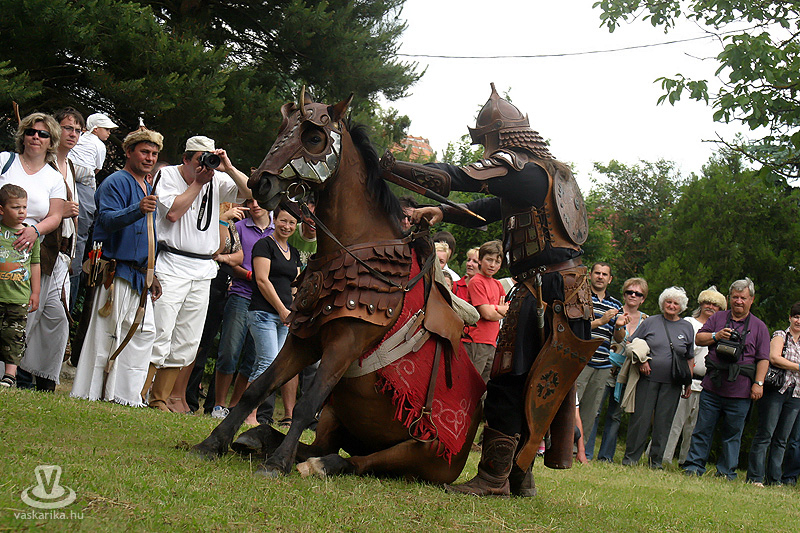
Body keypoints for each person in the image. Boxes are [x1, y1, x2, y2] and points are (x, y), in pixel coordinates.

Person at [398, 83, 594, 497]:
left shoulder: (521, 170)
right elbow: (489, 209)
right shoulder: (546, 174)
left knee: (510, 379)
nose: (485, 151)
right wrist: (442, 211)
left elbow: (461, 177)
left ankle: (493, 479)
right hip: (565, 290)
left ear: (498, 137)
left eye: (486, 141)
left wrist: (394, 167)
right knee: (534, 381)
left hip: (545, 289)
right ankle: (519, 477)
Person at [145, 136, 250, 411]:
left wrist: (228, 167)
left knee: (188, 338)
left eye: (209, 159)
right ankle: (139, 392)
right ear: (186, 159)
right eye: (199, 160)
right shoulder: (169, 175)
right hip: (172, 262)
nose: (205, 166)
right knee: (161, 330)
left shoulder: (217, 178)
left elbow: (251, 193)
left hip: (203, 268)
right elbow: (172, 213)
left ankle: (159, 399)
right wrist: (198, 184)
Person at [70, 127, 163, 406]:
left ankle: (125, 396)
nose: (149, 158)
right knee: (106, 334)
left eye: (154, 153)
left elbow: (148, 236)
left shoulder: (147, 187)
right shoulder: (116, 182)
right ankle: (91, 392)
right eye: (144, 152)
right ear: (129, 152)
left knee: (142, 333)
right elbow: (106, 221)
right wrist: (137, 209)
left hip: (139, 275)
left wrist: (152, 272)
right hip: (116, 271)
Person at [19, 109, 86, 391]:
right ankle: (19, 375)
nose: (73, 134)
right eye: (68, 128)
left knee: (56, 318)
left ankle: (42, 378)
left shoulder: (69, 167)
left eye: (78, 130)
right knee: (26, 313)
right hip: (36, 248)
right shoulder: (42, 166)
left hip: (60, 252)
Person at [0, 113, 66, 391]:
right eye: (31, 132)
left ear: (51, 141)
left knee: (27, 315)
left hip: (30, 251)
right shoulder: (5, 161)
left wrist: (34, 231)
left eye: (43, 134)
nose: (36, 137)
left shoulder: (54, 177)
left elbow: (56, 215)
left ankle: (22, 374)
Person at [683, 278, 770, 479]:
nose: (739, 301)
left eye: (743, 298)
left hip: (741, 390)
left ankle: (726, 472)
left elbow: (763, 359)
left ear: (751, 300)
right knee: (702, 429)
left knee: (733, 434)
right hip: (713, 386)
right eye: (735, 297)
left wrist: (758, 384)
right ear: (729, 298)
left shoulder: (759, 327)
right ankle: (694, 466)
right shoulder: (718, 318)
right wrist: (717, 335)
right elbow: (699, 339)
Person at [210, 197, 273, 419]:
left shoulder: (278, 228)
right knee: (229, 351)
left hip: (265, 301)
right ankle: (219, 406)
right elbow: (229, 260)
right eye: (250, 201)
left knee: (253, 358)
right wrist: (249, 275)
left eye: (259, 201)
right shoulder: (239, 226)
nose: (255, 205)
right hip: (240, 294)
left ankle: (236, 407)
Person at [622, 287, 694, 468]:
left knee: (664, 422)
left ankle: (656, 461)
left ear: (681, 306)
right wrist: (642, 361)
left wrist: (688, 382)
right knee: (641, 419)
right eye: (668, 302)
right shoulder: (651, 322)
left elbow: (689, 357)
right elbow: (632, 342)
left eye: (676, 303)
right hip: (648, 378)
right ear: (663, 303)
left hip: (673, 383)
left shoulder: (686, 327)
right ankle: (631, 458)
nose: (671, 306)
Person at [244, 205, 301, 426]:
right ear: (274, 220)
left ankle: (247, 412)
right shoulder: (264, 245)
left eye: (292, 223)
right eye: (283, 221)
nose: (287, 226)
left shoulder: (294, 252)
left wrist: (293, 310)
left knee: (274, 366)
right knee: (267, 363)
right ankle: (249, 415)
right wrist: (281, 309)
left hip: (284, 318)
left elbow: (295, 285)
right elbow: (262, 280)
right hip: (263, 313)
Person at [662, 286, 726, 465]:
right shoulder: (689, 323)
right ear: (701, 304)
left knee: (695, 427)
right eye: (707, 302)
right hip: (684, 379)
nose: (710, 306)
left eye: (715, 304)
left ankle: (686, 461)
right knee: (674, 423)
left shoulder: (722, 330)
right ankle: (662, 457)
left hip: (707, 383)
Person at [746, 302, 800, 486]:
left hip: (796, 394)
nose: (798, 321)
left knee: (782, 439)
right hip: (776, 391)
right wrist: (798, 366)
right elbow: (774, 357)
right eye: (796, 316)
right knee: (765, 435)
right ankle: (755, 477)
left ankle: (774, 479)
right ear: (790, 318)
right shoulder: (780, 335)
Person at [596, 277, 649, 462]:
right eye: (629, 292)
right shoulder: (613, 312)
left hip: (627, 372)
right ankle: (584, 451)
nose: (633, 295)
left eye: (638, 293)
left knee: (615, 415)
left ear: (643, 298)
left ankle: (606, 456)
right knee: (595, 410)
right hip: (605, 365)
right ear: (624, 294)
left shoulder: (646, 321)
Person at [68, 113, 117, 308]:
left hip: (67, 173)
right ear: (95, 129)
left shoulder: (80, 139)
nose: (109, 133)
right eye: (106, 129)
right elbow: (97, 169)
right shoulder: (99, 145)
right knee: (80, 235)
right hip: (84, 180)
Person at [576, 262, 625, 459]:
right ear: (590, 275)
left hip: (603, 363)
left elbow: (619, 339)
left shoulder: (616, 304)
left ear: (610, 279)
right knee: (571, 408)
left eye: (605, 274)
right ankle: (558, 446)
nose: (600, 277)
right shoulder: (580, 297)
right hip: (580, 361)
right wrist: (601, 321)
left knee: (591, 411)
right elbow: (577, 328)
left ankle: (578, 452)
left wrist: (619, 326)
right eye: (597, 273)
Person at [0, 185, 41, 388]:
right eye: (16, 207)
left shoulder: (30, 235)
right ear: (1, 209)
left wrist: (36, 292)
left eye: (24, 207)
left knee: (15, 336)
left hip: (19, 297)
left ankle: (10, 375)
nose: (21, 212)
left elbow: (35, 264)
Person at [463, 240, 507, 383]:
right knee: (471, 384)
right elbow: (486, 313)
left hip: (492, 342)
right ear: (480, 260)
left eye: (497, 262)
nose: (492, 265)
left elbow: (508, 310)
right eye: (489, 260)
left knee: (485, 386)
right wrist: (499, 308)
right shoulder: (477, 281)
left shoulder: (497, 284)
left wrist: (493, 308)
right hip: (475, 341)